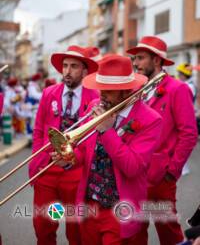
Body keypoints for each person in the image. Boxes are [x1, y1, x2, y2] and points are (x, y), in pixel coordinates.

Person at [52, 55, 163, 245]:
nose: (101, 95)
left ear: (126, 91)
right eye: (100, 88)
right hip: (89, 205)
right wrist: (68, 159)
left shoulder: (150, 119)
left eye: (109, 91)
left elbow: (132, 167)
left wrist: (107, 131)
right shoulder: (98, 106)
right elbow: (85, 151)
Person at [127, 36, 198, 245]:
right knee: (134, 231)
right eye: (135, 58)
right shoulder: (135, 89)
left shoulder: (178, 88)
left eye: (140, 58)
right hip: (134, 174)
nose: (135, 63)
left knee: (168, 231)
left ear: (156, 60)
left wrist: (172, 171)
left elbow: (189, 133)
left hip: (161, 176)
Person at [29, 45, 99, 245]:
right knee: (43, 227)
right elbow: (39, 130)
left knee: (75, 231)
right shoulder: (49, 92)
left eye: (74, 66)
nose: (67, 71)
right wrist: (36, 163)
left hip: (76, 173)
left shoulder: (95, 97)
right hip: (47, 170)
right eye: (65, 66)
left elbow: (92, 140)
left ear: (85, 71)